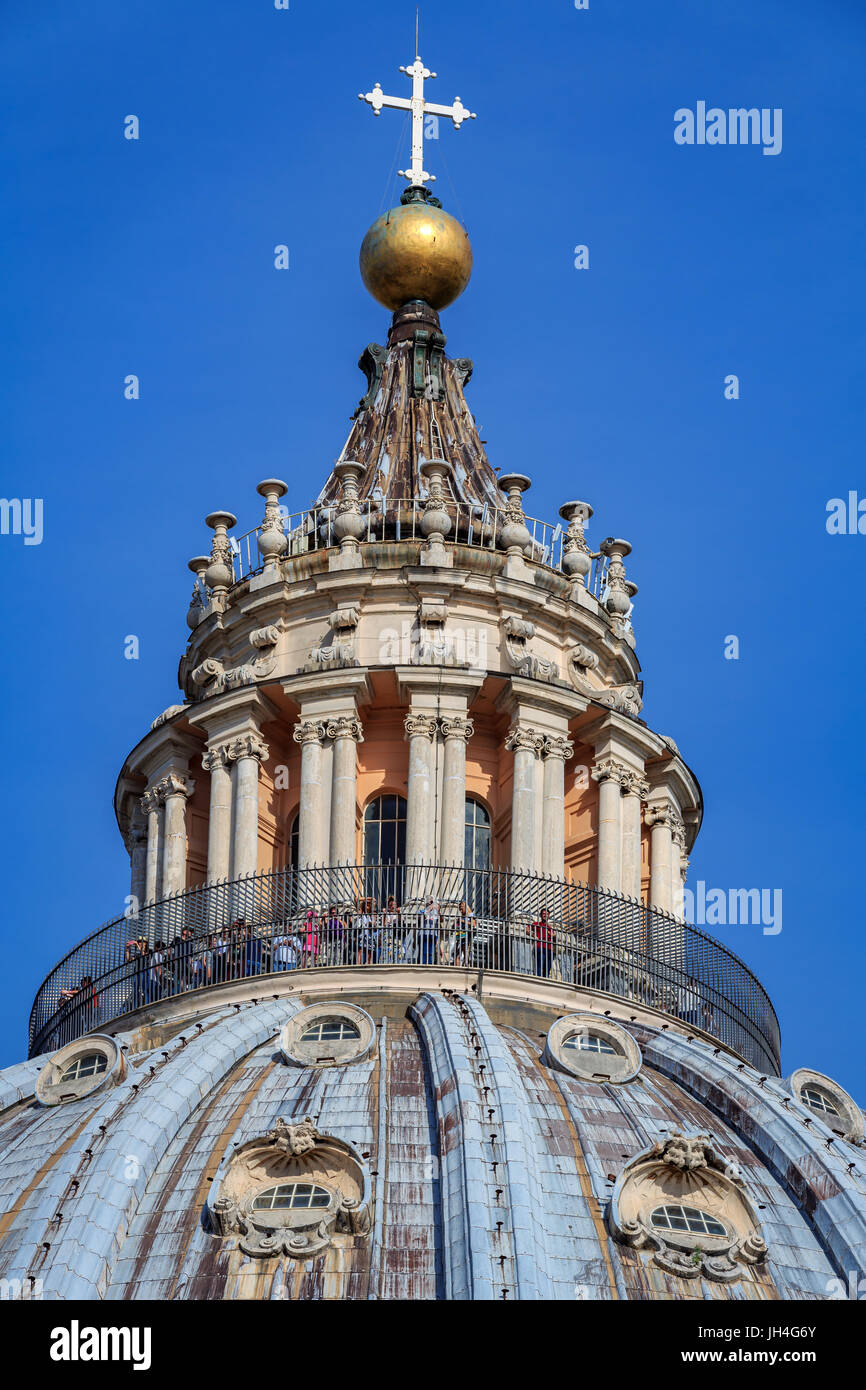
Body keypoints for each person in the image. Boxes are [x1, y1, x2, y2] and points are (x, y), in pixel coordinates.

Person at [533, 909, 554, 978]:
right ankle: (539, 979)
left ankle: (546, 980)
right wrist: (533, 935)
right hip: (540, 947)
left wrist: (552, 934)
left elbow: (554, 936)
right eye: (544, 913)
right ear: (541, 915)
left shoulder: (550, 927)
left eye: (547, 914)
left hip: (549, 949)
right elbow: (527, 929)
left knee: (547, 968)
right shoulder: (537, 924)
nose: (545, 915)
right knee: (540, 966)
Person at [418, 898, 440, 965]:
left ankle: (430, 964)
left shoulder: (436, 912)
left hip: (433, 934)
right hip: (423, 934)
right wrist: (429, 909)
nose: (431, 904)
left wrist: (438, 911)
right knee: (424, 951)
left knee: (431, 952)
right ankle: (423, 964)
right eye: (430, 902)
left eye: (432, 902)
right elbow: (421, 917)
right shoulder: (421, 911)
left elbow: (441, 920)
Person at [380, 896, 401, 964]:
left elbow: (400, 922)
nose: (392, 907)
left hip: (396, 934)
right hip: (388, 934)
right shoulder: (387, 914)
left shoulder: (398, 913)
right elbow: (384, 924)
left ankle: (396, 963)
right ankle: (386, 963)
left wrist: (399, 913)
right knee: (387, 950)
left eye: (394, 905)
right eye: (390, 905)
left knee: (397, 950)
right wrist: (385, 914)